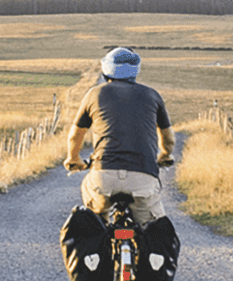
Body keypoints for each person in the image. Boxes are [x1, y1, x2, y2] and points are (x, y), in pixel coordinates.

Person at [64, 46, 175, 223]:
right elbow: (168, 138)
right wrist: (165, 155)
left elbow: (75, 136)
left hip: (103, 177)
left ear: (106, 69)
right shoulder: (152, 95)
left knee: (95, 221)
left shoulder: (94, 94)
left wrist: (73, 159)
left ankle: (99, 240)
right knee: (152, 229)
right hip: (143, 178)